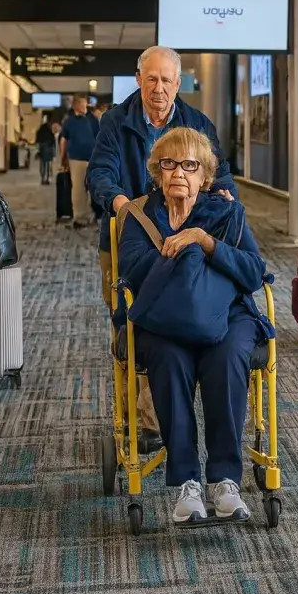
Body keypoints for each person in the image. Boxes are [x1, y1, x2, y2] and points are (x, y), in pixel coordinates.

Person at [88, 46, 239, 452]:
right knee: (130, 323)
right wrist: (123, 204)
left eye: (166, 80)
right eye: (151, 79)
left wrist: (224, 196)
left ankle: (155, 418)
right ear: (139, 79)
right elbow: (100, 173)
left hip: (182, 240)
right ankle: (138, 417)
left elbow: (220, 173)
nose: (158, 88)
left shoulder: (197, 123)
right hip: (129, 238)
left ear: (178, 83)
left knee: (175, 319)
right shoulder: (116, 122)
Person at [117, 128, 270, 525]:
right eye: (169, 164)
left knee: (228, 356)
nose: (179, 173)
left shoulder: (227, 213)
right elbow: (131, 272)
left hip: (228, 315)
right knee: (169, 358)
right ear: (157, 173)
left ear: (205, 177)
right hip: (165, 318)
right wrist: (180, 251)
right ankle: (187, 482)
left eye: (190, 165)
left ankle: (224, 480)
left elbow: (254, 272)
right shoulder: (138, 216)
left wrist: (206, 243)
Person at [60, 93, 100, 228]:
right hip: (76, 158)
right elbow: (63, 141)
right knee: (78, 189)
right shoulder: (69, 121)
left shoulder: (93, 120)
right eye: (82, 104)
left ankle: (95, 214)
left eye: (85, 104)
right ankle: (80, 217)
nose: (84, 107)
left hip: (93, 158)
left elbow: (100, 137)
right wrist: (63, 158)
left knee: (95, 187)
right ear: (75, 106)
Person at [35, 117, 56, 185]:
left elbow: (37, 142)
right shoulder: (50, 132)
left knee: (42, 164)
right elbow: (53, 142)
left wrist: (38, 151)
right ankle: (47, 178)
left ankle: (43, 177)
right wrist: (54, 153)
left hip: (42, 149)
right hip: (49, 149)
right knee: (47, 164)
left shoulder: (39, 132)